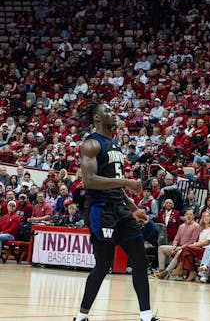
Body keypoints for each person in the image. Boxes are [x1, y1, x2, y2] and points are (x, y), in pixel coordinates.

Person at [74, 102, 155, 321]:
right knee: (103, 264)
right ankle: (80, 317)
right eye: (107, 111)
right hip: (101, 210)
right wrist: (126, 182)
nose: (113, 113)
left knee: (140, 260)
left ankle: (146, 316)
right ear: (97, 118)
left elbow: (114, 184)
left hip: (120, 209)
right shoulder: (91, 143)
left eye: (113, 110)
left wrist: (133, 208)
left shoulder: (115, 145)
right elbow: (90, 181)